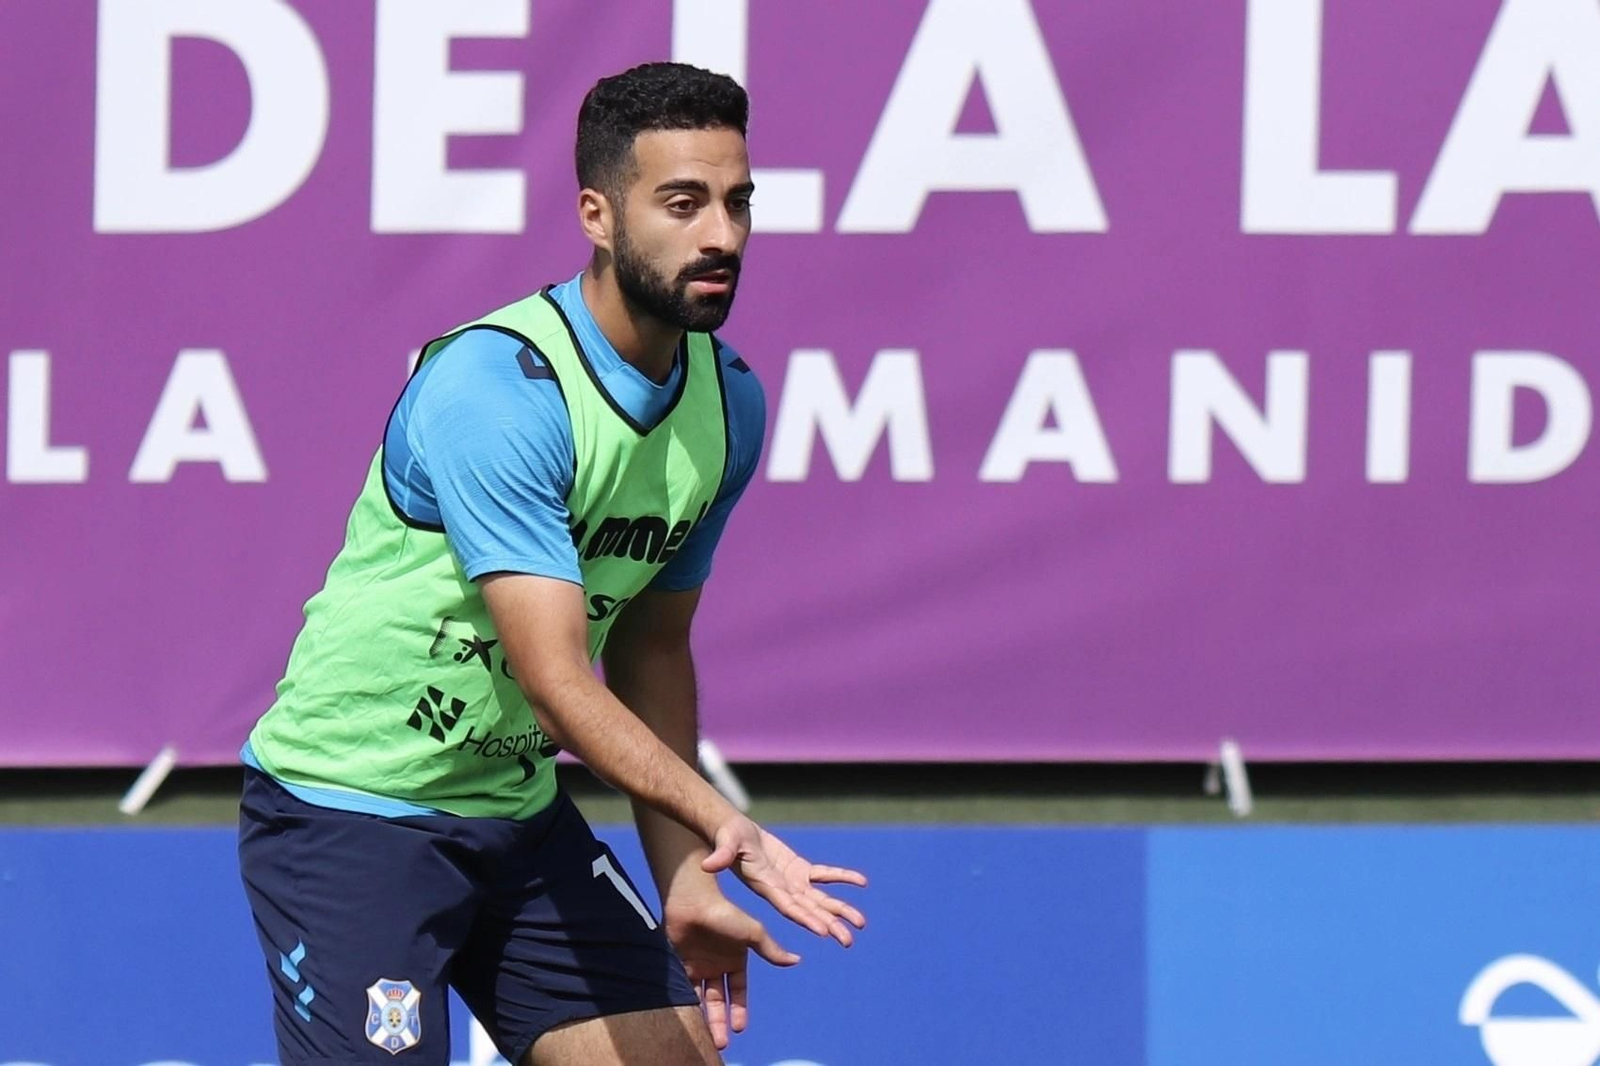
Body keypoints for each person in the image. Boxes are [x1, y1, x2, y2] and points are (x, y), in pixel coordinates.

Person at [237, 61, 866, 1066]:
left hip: (519, 818)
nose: (721, 235)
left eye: (738, 202)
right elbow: (559, 682)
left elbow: (652, 652)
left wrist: (686, 870)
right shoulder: (500, 388)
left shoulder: (728, 403)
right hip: (353, 812)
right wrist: (728, 824)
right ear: (597, 216)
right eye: (683, 203)